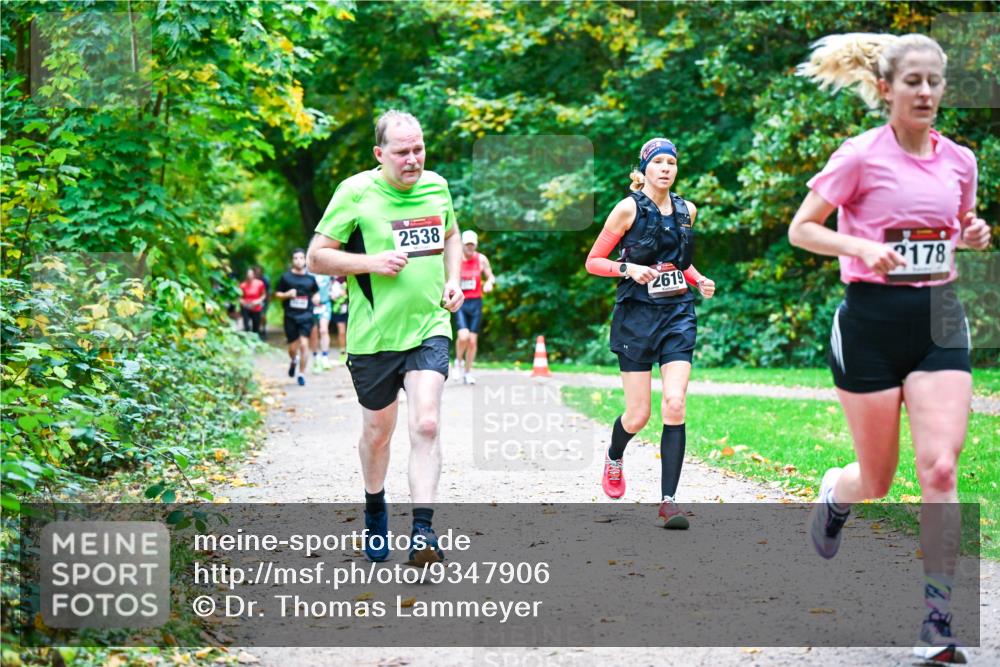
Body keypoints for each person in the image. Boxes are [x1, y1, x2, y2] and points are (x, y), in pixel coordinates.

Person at [791, 33, 990, 665]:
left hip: (938, 318)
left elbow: (958, 227)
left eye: (935, 81)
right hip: (870, 323)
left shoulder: (961, 160)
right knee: (876, 479)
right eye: (913, 82)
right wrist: (860, 248)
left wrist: (975, 233)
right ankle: (836, 496)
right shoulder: (858, 157)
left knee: (939, 469)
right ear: (886, 89)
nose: (927, 92)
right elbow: (803, 229)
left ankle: (937, 617)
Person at [306, 110, 464, 566]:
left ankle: (424, 532)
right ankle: (376, 509)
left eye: (418, 149)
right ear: (380, 154)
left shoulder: (437, 185)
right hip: (373, 337)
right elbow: (318, 257)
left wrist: (454, 280)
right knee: (378, 433)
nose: (413, 160)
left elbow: (451, 234)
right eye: (402, 152)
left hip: (428, 326)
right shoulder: (355, 192)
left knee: (427, 423)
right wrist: (371, 262)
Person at [585, 137, 716, 528]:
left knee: (674, 403)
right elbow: (594, 261)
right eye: (657, 162)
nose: (665, 168)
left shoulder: (687, 210)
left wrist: (698, 279)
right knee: (639, 415)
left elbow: (678, 262)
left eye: (671, 162)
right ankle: (614, 454)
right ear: (644, 169)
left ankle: (669, 501)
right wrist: (628, 270)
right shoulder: (627, 209)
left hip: (677, 313)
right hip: (636, 316)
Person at [454, 229, 496, 385]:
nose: (470, 248)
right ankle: (458, 361)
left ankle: (468, 372)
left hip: (476, 302)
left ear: (476, 244)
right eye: (467, 245)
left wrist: (490, 282)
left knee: (472, 341)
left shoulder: (481, 259)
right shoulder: (457, 259)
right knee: (463, 336)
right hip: (461, 301)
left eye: (472, 245)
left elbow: (490, 275)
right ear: (462, 245)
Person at [275, 249, 320, 386]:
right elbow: (277, 294)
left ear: (305, 260)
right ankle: (294, 360)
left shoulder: (310, 279)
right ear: (292, 260)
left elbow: (316, 292)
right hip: (290, 316)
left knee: (304, 345)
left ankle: (301, 374)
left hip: (306, 315)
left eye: (301, 258)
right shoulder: (286, 277)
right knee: (293, 349)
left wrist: (316, 297)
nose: (299, 260)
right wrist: (287, 294)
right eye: (296, 258)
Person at [309, 272, 334, 373]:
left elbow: (336, 285)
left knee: (324, 330)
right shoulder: (308, 273)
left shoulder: (328, 272)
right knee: (313, 333)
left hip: (325, 304)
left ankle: (325, 357)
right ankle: (315, 357)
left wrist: (334, 293)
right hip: (311, 306)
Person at [238, 268, 266, 340]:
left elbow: (264, 295)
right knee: (246, 325)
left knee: (256, 325)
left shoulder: (260, 283)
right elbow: (239, 297)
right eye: (248, 275)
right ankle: (247, 339)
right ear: (246, 276)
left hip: (256, 307)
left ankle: (255, 339)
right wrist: (242, 302)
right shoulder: (242, 285)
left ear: (253, 275)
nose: (249, 276)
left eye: (251, 275)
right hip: (246, 307)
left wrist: (259, 301)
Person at [330, 275, 349, 362]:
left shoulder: (348, 275)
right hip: (339, 309)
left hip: (351, 307)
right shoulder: (332, 279)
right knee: (341, 332)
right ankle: (342, 353)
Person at [254, 265, 271, 338]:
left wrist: (267, 300)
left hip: (264, 300)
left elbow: (268, 291)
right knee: (255, 316)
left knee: (262, 315)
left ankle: (263, 330)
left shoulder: (265, 279)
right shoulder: (252, 278)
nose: (257, 272)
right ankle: (256, 331)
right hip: (254, 300)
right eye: (256, 270)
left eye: (259, 270)